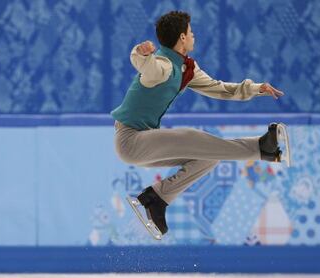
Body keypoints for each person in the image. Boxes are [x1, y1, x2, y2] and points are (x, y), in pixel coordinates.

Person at [111, 11, 290, 240]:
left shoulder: (187, 69)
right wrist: (140, 54)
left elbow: (221, 88)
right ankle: (261, 147)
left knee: (208, 156)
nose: (194, 35)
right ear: (182, 38)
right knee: (194, 138)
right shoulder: (163, 65)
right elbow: (149, 68)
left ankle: (156, 199)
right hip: (130, 140)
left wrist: (256, 89)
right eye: (191, 31)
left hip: (143, 142)